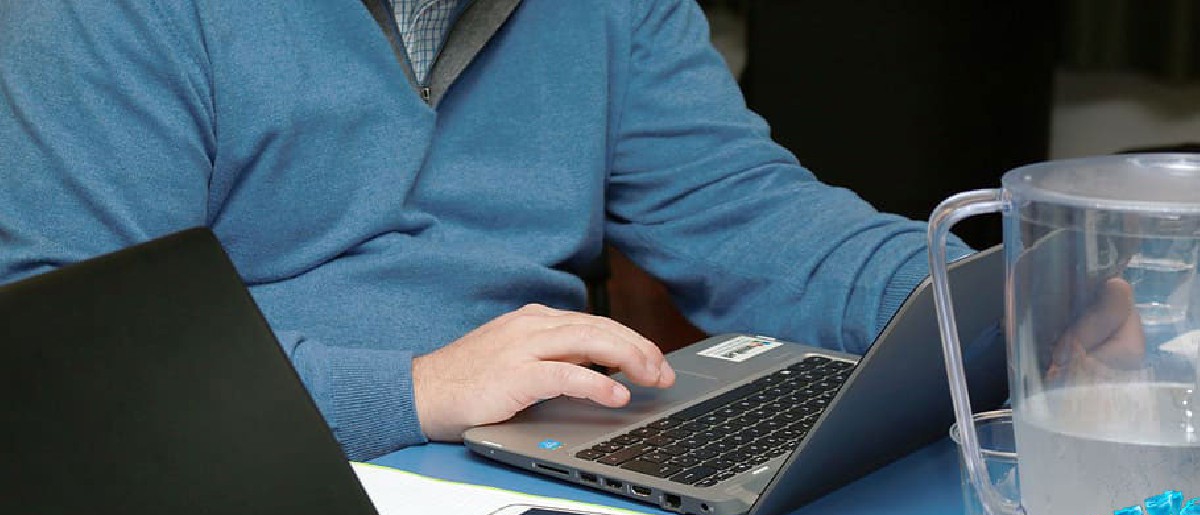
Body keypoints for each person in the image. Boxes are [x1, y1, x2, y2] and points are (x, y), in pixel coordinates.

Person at [0, 0, 971, 461]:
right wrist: (413, 391)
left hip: (540, 462)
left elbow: (750, 213)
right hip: (252, 486)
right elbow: (73, 370)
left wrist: (985, 294)